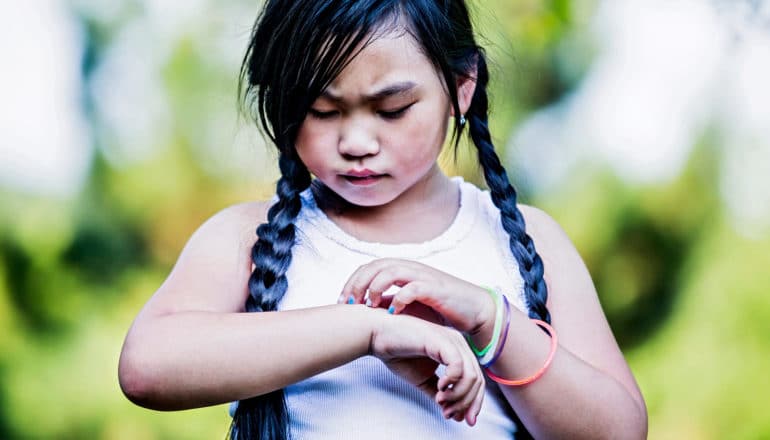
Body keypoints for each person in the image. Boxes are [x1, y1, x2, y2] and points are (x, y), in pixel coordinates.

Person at [118, 1, 648, 439]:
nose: (356, 143)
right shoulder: (244, 239)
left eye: (392, 110)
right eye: (322, 112)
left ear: (462, 85)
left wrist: (492, 323)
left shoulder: (525, 241)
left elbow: (619, 431)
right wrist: (368, 330)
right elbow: (147, 368)